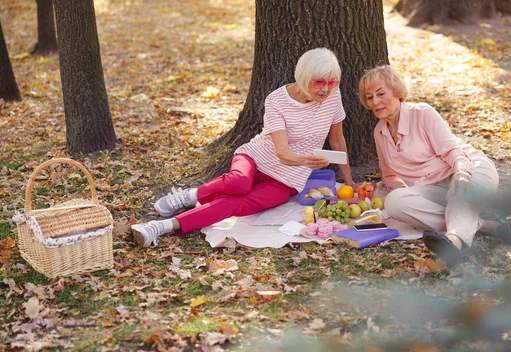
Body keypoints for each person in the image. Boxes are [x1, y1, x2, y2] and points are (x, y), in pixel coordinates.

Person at [132, 48, 356, 247]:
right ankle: (191, 195)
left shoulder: (333, 98)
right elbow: (282, 153)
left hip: (286, 180)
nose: (326, 89)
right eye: (319, 82)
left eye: (332, 82)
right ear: (304, 76)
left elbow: (337, 140)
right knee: (239, 183)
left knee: (233, 205)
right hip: (256, 158)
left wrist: (349, 181)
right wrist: (307, 161)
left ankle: (160, 227)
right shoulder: (277, 100)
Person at [358, 65, 511, 266]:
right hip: (435, 188)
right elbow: (388, 175)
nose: (375, 102)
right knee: (395, 202)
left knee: (458, 191)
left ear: (396, 91)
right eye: (369, 97)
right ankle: (485, 226)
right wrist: (408, 193)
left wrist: (461, 174)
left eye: (381, 93)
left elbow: (452, 152)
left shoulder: (422, 113)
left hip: (470, 170)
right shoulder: (379, 132)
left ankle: (454, 243)